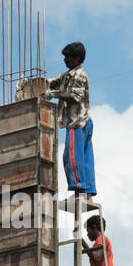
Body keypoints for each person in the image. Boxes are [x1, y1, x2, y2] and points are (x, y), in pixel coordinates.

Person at [46, 42, 96, 195]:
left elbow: (75, 97)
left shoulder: (80, 75)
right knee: (85, 159)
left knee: (72, 157)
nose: (65, 60)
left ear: (77, 58)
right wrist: (39, 84)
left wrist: (53, 94)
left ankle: (78, 188)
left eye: (68, 57)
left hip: (77, 122)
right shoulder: (67, 75)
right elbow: (53, 82)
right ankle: (88, 193)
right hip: (83, 122)